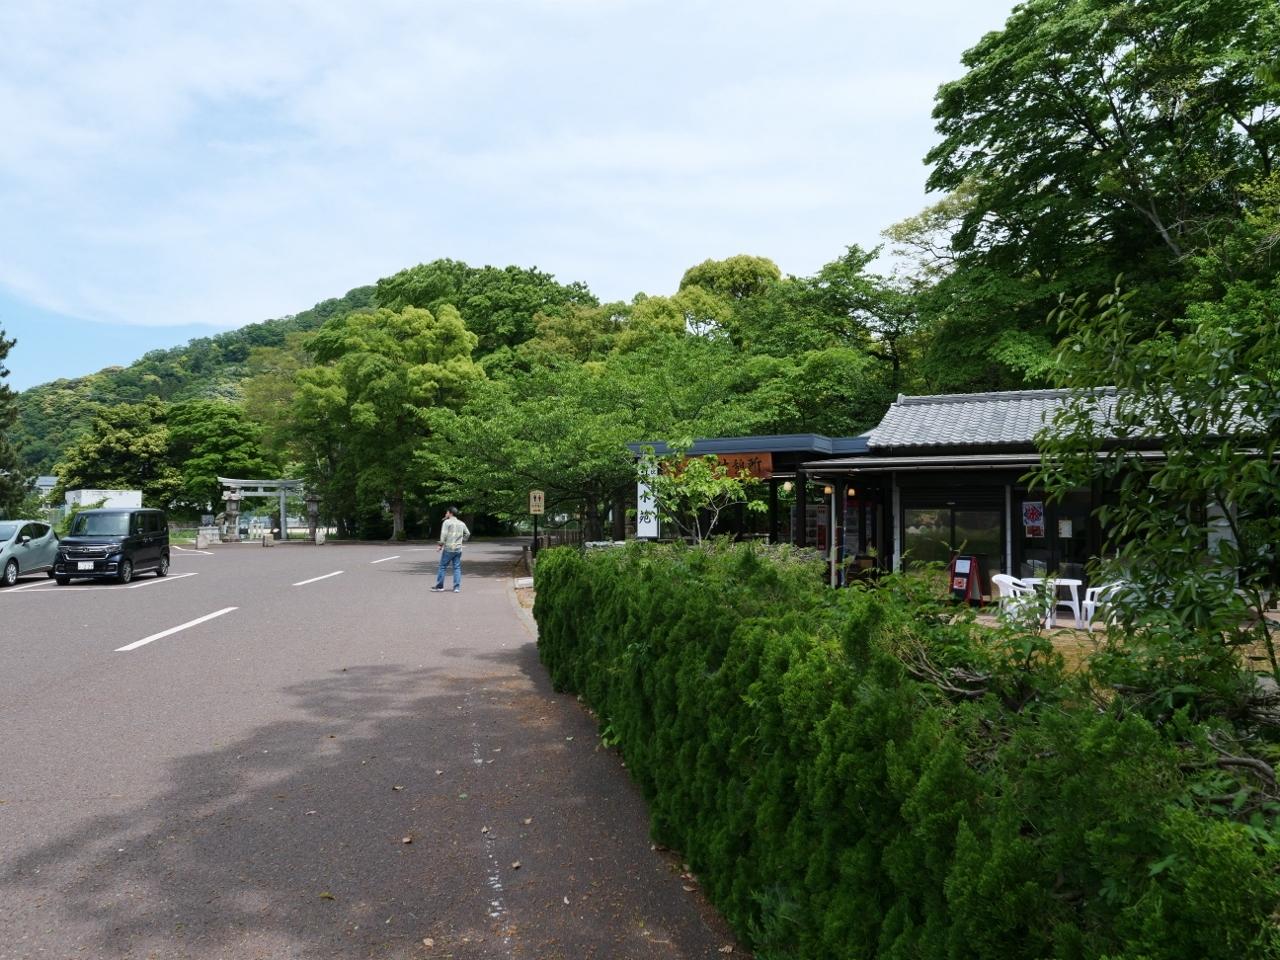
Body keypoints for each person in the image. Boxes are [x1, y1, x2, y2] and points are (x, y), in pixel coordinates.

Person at [431, 507, 470, 593]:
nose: (446, 514)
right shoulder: (461, 523)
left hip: (448, 548)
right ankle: (456, 588)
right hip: (458, 549)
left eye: (447, 512)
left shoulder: (446, 522)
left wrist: (440, 545)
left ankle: (440, 587)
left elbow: (443, 534)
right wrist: (462, 540)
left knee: (442, 567)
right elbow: (468, 533)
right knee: (457, 568)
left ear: (450, 513)